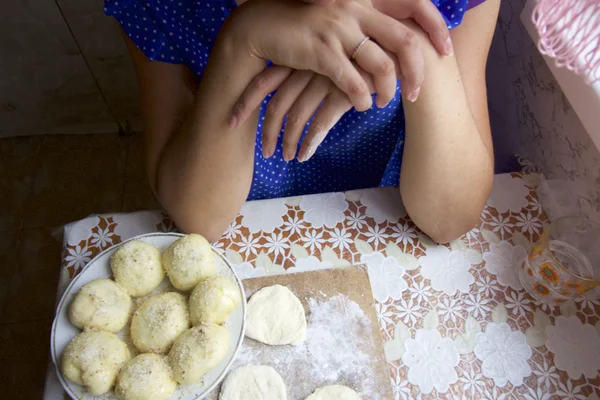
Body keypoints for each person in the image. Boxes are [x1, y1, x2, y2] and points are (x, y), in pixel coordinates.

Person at [105, 0, 499, 243]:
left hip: (391, 223)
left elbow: (450, 218)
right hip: (241, 236)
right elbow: (200, 217)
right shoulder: (161, 5)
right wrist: (245, 39)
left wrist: (408, 36)